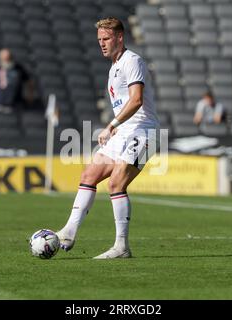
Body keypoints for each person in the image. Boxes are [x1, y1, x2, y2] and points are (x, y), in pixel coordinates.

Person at [55, 17, 160, 259]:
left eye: (106, 39)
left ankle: (121, 247)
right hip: (124, 132)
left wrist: (111, 124)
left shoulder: (132, 61)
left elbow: (136, 100)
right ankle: (69, 231)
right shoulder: (114, 67)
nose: (102, 43)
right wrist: (116, 128)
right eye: (99, 39)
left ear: (120, 38)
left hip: (144, 131)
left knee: (115, 184)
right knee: (89, 174)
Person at [0, 49, 29, 114]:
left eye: (8, 58)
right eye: (4, 58)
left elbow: (28, 81)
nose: (6, 60)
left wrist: (29, 95)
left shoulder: (18, 68)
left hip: (15, 102)